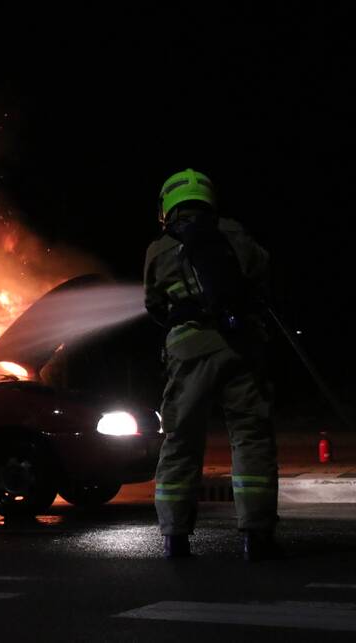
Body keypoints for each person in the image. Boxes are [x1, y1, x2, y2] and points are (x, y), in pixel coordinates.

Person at [143, 168, 279, 561]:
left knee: (181, 441)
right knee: (251, 437)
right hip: (241, 348)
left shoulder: (159, 249)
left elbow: (154, 306)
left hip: (188, 352)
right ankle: (257, 539)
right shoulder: (233, 232)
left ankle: (175, 538)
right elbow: (261, 272)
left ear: (167, 206)